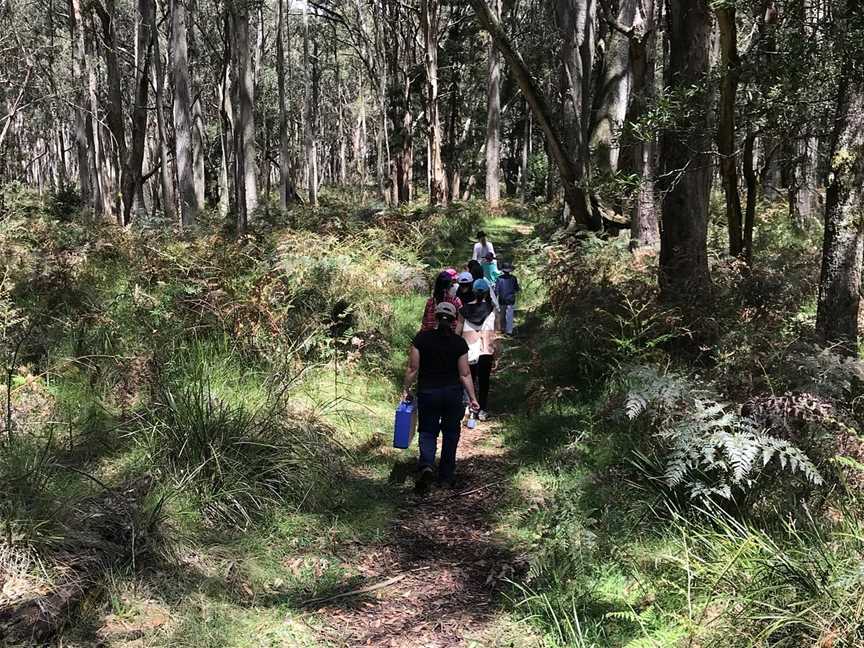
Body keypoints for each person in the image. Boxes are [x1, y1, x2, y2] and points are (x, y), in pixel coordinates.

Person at [403, 302, 481, 493]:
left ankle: (427, 466)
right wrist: (473, 397)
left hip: (428, 393)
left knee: (428, 431)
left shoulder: (421, 339)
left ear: (435, 318)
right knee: (451, 433)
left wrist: (406, 389)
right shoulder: (458, 343)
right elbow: (465, 374)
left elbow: (413, 368)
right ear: (454, 321)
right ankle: (446, 475)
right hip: (452, 395)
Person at [457, 278, 498, 422]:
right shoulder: (492, 309)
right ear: (487, 292)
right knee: (484, 381)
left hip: (468, 350)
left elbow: (458, 332)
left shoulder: (463, 310)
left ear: (473, 292)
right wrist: (496, 351)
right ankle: (482, 410)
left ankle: (469, 407)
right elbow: (494, 332)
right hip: (486, 350)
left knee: (469, 379)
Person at [495, 261, 521, 335]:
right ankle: (509, 331)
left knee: (502, 315)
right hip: (511, 299)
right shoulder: (513, 278)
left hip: (502, 300)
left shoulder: (499, 279)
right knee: (509, 315)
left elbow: (496, 290)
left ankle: (503, 329)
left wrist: (495, 299)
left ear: (503, 270)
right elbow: (516, 289)